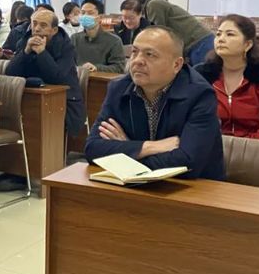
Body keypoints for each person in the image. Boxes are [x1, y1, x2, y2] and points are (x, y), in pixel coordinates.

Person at [85, 26, 225, 180]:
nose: (137, 61)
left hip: (194, 187)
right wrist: (148, 147)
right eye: (134, 52)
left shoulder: (200, 95)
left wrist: (127, 151)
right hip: (133, 185)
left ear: (176, 65)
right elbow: (93, 149)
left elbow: (188, 162)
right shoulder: (119, 88)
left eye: (150, 54)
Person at [6, 9, 85, 135]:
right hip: (30, 97)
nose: (37, 29)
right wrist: (25, 52)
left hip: (64, 101)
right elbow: (10, 73)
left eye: (43, 25)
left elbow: (58, 78)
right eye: (34, 24)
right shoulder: (25, 41)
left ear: (54, 30)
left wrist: (42, 53)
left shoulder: (66, 47)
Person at [195, 15, 259, 139]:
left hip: (256, 147)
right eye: (218, 34)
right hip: (210, 145)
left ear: (247, 44)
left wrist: (240, 146)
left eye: (230, 34)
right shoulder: (202, 75)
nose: (221, 39)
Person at [127, 0, 214, 66]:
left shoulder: (153, 5)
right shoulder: (154, 5)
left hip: (199, 42)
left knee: (203, 76)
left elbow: (159, 34)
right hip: (195, 43)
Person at [72, 0, 126, 74]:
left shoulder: (114, 41)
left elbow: (119, 68)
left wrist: (96, 68)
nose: (85, 16)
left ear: (100, 17)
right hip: (77, 79)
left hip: (101, 80)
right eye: (83, 13)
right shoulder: (74, 38)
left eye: (90, 13)